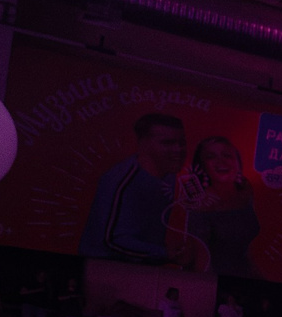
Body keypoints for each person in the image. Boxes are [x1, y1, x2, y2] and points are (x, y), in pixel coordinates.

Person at [82, 112, 187, 264]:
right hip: (108, 268)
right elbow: (111, 240)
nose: (178, 150)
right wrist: (165, 254)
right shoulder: (122, 181)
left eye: (181, 142)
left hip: (144, 268)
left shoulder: (170, 175)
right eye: (167, 143)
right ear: (143, 144)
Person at [181, 134, 262, 276]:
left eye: (227, 155)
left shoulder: (247, 191)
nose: (221, 161)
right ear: (202, 166)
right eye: (211, 157)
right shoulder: (199, 205)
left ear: (237, 162)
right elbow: (199, 261)